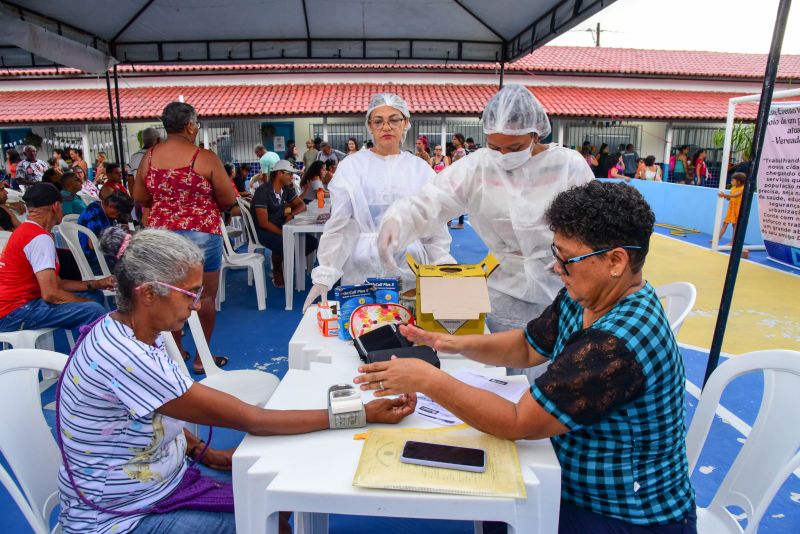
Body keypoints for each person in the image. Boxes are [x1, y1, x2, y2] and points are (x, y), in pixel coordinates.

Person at [360, 181, 696, 533]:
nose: (556, 268)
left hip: (623, 514)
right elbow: (528, 345)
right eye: (556, 253)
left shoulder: (616, 342)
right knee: (487, 502)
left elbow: (518, 421)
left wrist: (428, 379)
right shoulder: (586, 294)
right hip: (572, 481)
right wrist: (452, 344)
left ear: (615, 261)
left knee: (488, 503)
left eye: (567, 259)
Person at [56, 227, 416, 534]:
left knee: (271, 494)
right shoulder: (129, 358)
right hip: (120, 517)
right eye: (190, 294)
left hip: (148, 485)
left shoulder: (126, 331)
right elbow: (254, 421)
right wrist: (363, 413)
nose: (197, 306)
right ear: (149, 293)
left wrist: (203, 453)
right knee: (270, 516)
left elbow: (157, 407)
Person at [377, 84, 594, 380]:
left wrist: (572, 258)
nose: (504, 155)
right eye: (495, 146)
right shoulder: (478, 167)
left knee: (556, 376)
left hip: (563, 286)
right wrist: (398, 221)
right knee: (499, 374)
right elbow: (432, 201)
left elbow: (593, 226)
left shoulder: (567, 166)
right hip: (504, 287)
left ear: (535, 133)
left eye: (514, 147)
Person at [302, 92, 454, 311]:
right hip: (361, 265)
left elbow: (433, 225)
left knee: (406, 327)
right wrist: (325, 271)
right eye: (378, 121)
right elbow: (340, 224)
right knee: (361, 326)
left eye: (394, 120)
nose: (387, 127)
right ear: (369, 127)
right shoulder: (351, 167)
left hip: (408, 263)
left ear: (406, 124)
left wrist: (442, 263)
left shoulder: (420, 169)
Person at [133, 101, 236, 375]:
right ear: (190, 125)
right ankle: (203, 358)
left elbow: (140, 198)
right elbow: (227, 199)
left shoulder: (150, 157)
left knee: (167, 295)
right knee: (205, 297)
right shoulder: (204, 157)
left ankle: (176, 353)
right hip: (200, 234)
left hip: (161, 238)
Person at [0, 183, 112, 333]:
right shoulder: (39, 238)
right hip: (12, 313)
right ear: (55, 207)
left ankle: (87, 342)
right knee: (93, 310)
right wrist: (86, 303)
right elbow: (50, 293)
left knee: (94, 295)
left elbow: (56, 283)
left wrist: (96, 284)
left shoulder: (27, 230)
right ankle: (93, 352)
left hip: (14, 306)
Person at [251, 160, 317, 288]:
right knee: (284, 243)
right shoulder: (263, 191)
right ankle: (277, 267)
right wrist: (284, 233)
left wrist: (291, 215)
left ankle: (282, 260)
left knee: (312, 242)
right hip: (264, 231)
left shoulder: (285, 190)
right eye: (289, 174)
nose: (292, 177)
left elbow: (302, 205)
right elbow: (263, 223)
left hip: (282, 227)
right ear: (280, 173)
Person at [78, 192, 134, 273]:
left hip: (103, 252)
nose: (118, 216)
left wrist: (119, 227)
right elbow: (93, 245)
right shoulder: (94, 213)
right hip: (96, 258)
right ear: (111, 205)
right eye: (118, 213)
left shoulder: (105, 210)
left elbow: (106, 229)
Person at [717, 172, 749, 258]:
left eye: (733, 180)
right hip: (731, 208)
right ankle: (716, 239)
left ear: (738, 181)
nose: (731, 181)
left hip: (738, 208)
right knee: (725, 223)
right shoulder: (733, 187)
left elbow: (735, 195)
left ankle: (732, 242)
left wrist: (725, 195)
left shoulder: (743, 188)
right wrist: (725, 197)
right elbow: (730, 197)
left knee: (735, 226)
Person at [129, 127, 162, 192]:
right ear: (158, 140)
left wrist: (133, 199)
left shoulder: (134, 157)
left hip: (140, 196)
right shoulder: (159, 156)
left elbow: (130, 181)